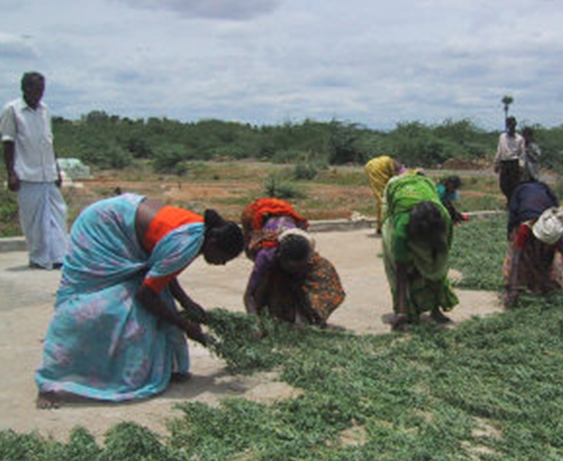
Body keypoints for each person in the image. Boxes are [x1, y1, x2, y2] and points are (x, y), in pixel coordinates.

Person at [35, 193, 243, 408]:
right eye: (224, 258)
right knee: (94, 308)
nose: (222, 264)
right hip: (103, 228)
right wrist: (185, 324)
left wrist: (188, 303)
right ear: (213, 241)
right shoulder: (187, 242)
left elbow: (163, 271)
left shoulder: (199, 232)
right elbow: (146, 294)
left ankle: (166, 368)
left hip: (120, 221)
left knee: (159, 302)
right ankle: (51, 381)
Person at [241, 198, 345, 327]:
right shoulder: (266, 256)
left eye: (299, 267)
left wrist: (314, 314)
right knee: (269, 284)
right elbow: (249, 295)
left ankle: (310, 318)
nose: (294, 271)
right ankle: (272, 317)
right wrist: (255, 323)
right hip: (262, 229)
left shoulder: (307, 251)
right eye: (291, 268)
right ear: (280, 258)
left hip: (291, 250)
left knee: (304, 284)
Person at [1, 72, 68, 270]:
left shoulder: (44, 110)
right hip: (27, 174)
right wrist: (11, 173)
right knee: (34, 221)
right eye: (36, 90)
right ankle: (39, 257)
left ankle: (58, 256)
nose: (39, 94)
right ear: (25, 89)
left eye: (42, 90)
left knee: (58, 215)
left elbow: (49, 142)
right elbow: (8, 142)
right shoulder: (12, 110)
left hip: (47, 173)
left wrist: (56, 170)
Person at [382, 171, 459, 330]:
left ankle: (435, 309)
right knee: (411, 271)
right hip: (403, 222)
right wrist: (401, 312)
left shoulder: (444, 219)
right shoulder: (401, 229)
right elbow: (401, 272)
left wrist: (434, 264)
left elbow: (442, 258)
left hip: (435, 231)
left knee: (435, 268)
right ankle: (408, 311)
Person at [503, 181, 563, 307]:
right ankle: (523, 281)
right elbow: (517, 257)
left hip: (544, 201)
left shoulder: (553, 228)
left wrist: (545, 278)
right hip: (524, 204)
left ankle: (545, 281)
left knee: (560, 263)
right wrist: (513, 288)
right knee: (523, 253)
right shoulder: (525, 228)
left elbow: (556, 254)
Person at [364, 155, 406, 234]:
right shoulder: (398, 170)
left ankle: (383, 225)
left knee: (385, 198)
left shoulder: (396, 168)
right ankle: (383, 226)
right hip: (375, 169)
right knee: (383, 200)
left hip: (376, 167)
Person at [494, 116, 525, 208]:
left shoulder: (519, 139)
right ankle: (509, 200)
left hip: (514, 163)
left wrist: (521, 166)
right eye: (509, 125)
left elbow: (522, 153)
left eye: (513, 125)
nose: (511, 127)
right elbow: (499, 150)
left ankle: (511, 204)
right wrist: (497, 163)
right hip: (504, 163)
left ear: (515, 125)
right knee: (503, 185)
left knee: (514, 185)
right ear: (507, 126)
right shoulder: (502, 137)